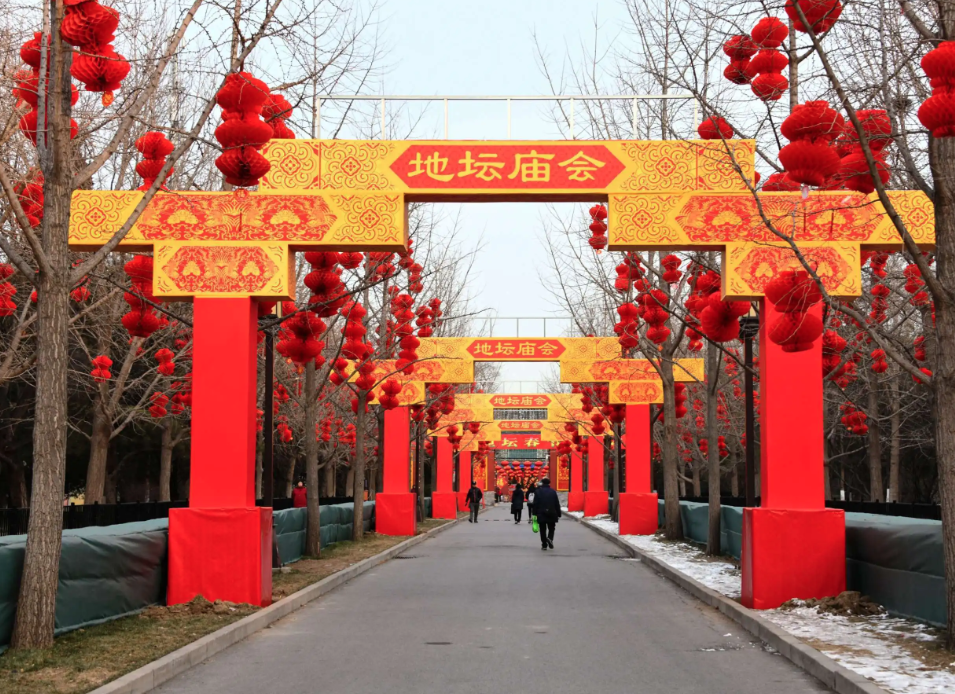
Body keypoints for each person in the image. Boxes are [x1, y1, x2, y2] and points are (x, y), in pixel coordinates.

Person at [533, 477, 561, 551]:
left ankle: (544, 544)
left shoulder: (538, 491)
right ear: (549, 483)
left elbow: (535, 503)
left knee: (542, 529)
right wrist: (558, 513)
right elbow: (556, 503)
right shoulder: (553, 492)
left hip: (541, 512)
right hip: (552, 512)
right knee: (551, 528)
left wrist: (534, 513)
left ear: (542, 483)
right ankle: (550, 538)